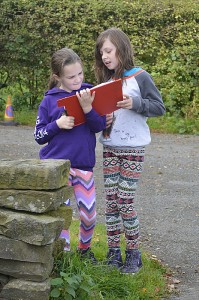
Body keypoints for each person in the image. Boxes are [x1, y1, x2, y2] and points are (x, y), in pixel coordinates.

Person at [94, 27, 166, 273]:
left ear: (121, 49)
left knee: (125, 201)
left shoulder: (140, 76)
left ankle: (134, 254)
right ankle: (114, 254)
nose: (104, 56)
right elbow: (102, 114)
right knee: (111, 202)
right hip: (110, 148)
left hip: (133, 149)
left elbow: (159, 107)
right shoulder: (107, 82)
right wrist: (102, 120)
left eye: (108, 50)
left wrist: (135, 103)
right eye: (101, 52)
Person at [34, 47, 106, 262]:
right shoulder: (48, 101)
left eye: (80, 74)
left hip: (83, 166)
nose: (77, 79)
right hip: (57, 168)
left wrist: (88, 108)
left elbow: (99, 125)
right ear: (58, 77)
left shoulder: (88, 93)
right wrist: (57, 124)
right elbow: (39, 135)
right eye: (71, 76)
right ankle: (63, 255)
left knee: (89, 215)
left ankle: (84, 251)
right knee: (61, 217)